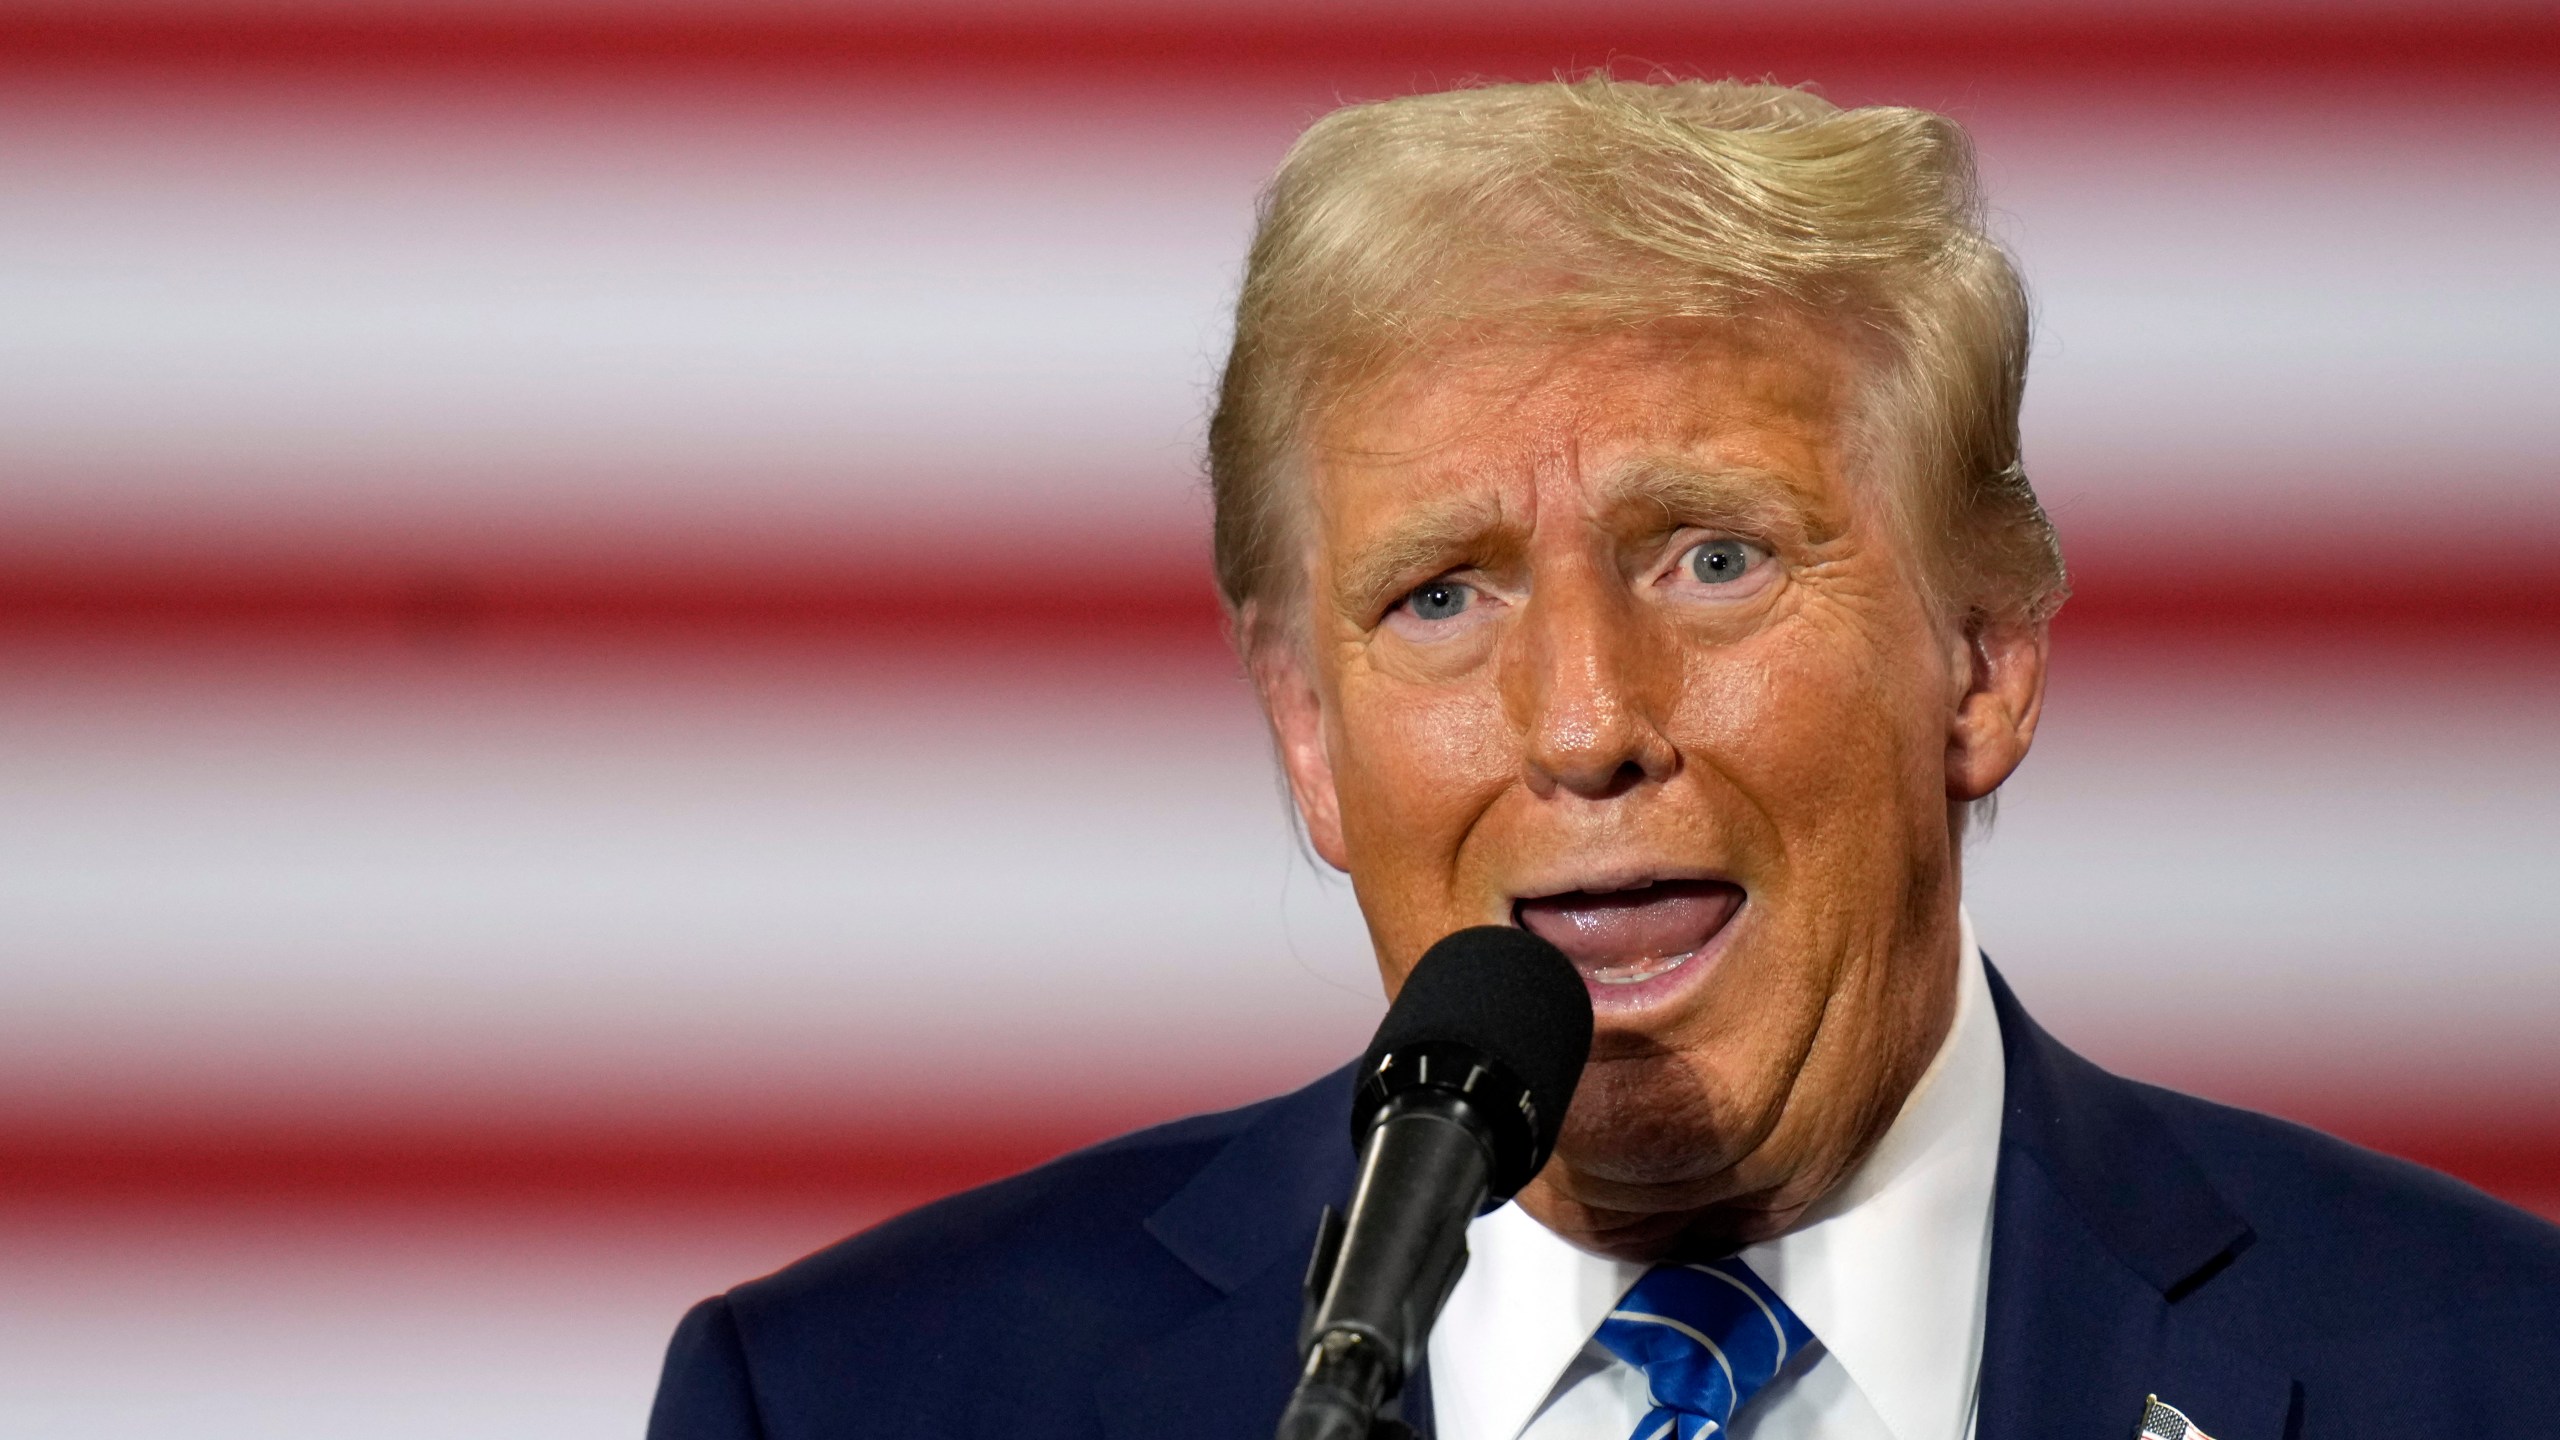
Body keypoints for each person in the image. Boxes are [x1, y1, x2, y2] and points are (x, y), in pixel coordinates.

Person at [646, 78, 2560, 1440]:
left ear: (1982, 658)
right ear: (1306, 733)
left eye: (1714, 559)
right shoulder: (855, 1402)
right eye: (1439, 599)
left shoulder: (2490, 1372)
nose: (1581, 726)